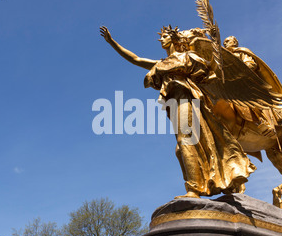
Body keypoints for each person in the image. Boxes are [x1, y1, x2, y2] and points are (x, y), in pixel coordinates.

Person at [100, 25, 256, 197]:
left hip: (186, 98)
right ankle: (211, 183)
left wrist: (216, 40)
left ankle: (194, 189)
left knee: (185, 140)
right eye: (162, 37)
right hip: (174, 104)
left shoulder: (188, 57)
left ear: (175, 38)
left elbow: (213, 69)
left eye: (166, 36)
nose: (162, 39)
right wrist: (112, 42)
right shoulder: (162, 63)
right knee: (180, 148)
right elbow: (136, 59)